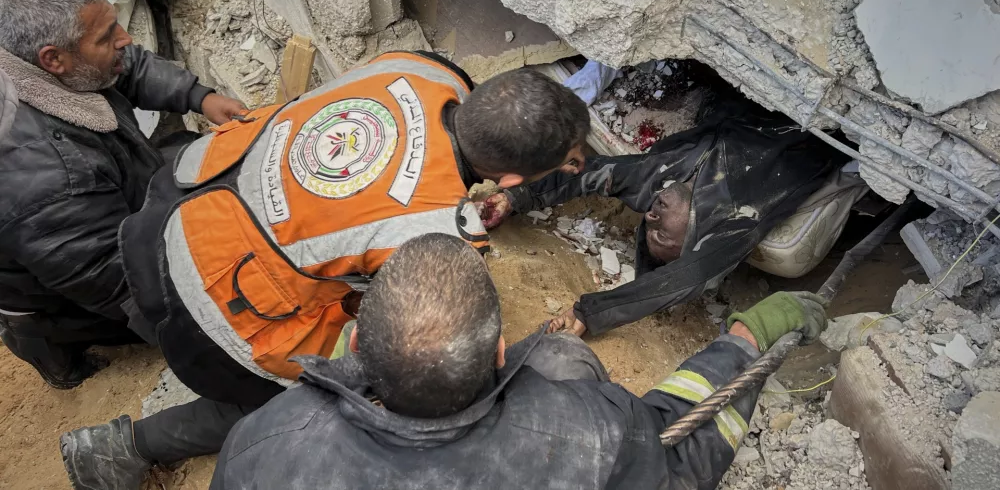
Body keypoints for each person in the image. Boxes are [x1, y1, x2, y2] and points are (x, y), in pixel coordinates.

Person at [60, 54, 591, 489]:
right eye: (566, 160)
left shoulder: (427, 70)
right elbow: (398, 338)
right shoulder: (444, 236)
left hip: (182, 188)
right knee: (333, 378)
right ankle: (121, 448)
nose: (573, 165)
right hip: (198, 287)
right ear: (513, 178)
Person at [208, 233, 827, 490]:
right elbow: (679, 457)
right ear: (501, 351)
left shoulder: (261, 444)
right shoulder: (587, 434)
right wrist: (747, 339)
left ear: (354, 347)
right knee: (562, 357)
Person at [0, 0, 244, 389]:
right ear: (52, 59)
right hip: (65, 285)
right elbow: (118, 281)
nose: (124, 39)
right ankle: (47, 350)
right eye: (105, 36)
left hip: (99, 193)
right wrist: (216, 334)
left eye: (115, 25)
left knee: (194, 160)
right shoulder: (44, 177)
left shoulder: (47, 59)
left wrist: (200, 97)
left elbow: (123, 66)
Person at [481, 85, 851, 337]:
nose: (652, 216)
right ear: (697, 242)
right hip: (806, 122)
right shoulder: (734, 222)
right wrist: (589, 315)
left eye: (649, 225)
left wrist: (517, 198)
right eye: (661, 234)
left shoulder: (656, 185)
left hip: (748, 101)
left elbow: (586, 176)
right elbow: (683, 279)